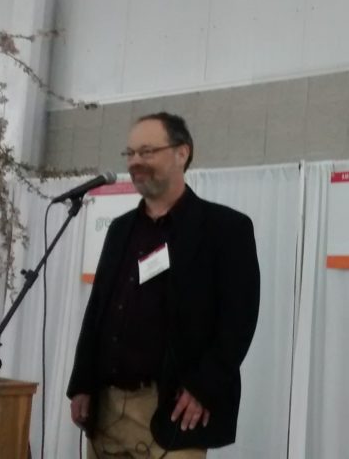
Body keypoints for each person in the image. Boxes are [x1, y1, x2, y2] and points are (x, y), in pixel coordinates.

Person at [67, 112, 261, 458]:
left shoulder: (225, 229)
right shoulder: (120, 229)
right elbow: (97, 310)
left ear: (182, 153)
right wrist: (81, 384)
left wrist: (203, 388)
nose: (136, 162)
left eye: (147, 151)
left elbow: (239, 322)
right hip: (107, 407)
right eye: (130, 154)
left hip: (171, 410)